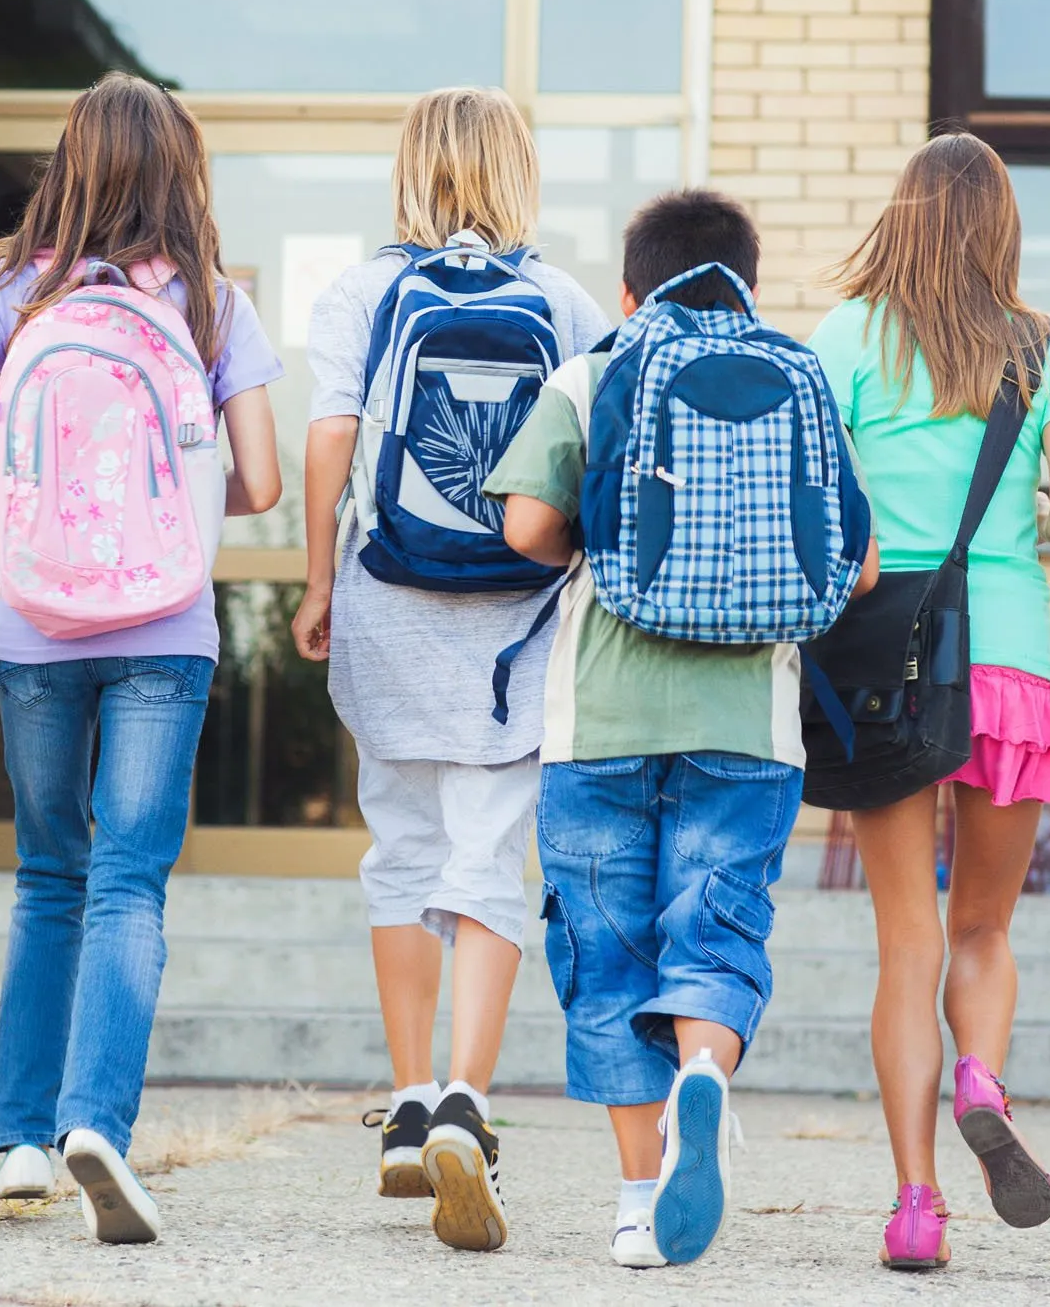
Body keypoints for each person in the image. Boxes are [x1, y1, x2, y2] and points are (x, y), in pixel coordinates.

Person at [0, 72, 283, 1244]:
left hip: (32, 628)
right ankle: (96, 1128)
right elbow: (265, 483)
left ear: (67, 161)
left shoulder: (12, 285)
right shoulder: (215, 302)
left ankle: (21, 1137)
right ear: (181, 169)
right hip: (163, 632)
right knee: (128, 878)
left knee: (45, 874)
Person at [484, 188, 879, 1271]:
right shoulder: (797, 374)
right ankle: (703, 1068)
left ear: (630, 285)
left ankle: (632, 1196)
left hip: (599, 718)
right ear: (746, 277)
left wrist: (595, 535)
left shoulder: (596, 370)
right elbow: (859, 561)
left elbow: (525, 523)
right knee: (713, 931)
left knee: (606, 955)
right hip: (749, 721)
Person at [292, 85, 611, 1254]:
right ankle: (468, 1106)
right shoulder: (565, 299)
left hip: (386, 596)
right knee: (488, 851)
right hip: (516, 622)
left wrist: (317, 581)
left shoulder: (361, 290)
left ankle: (409, 1100)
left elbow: (330, 439)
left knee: (399, 848)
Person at [805, 132, 1050, 1269]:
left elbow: (824, 503)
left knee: (904, 940)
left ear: (903, 214)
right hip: (1009, 662)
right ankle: (982, 1072)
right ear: (1001, 227)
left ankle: (916, 1204)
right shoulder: (1048, 345)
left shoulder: (845, 336)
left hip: (882, 663)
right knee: (983, 926)